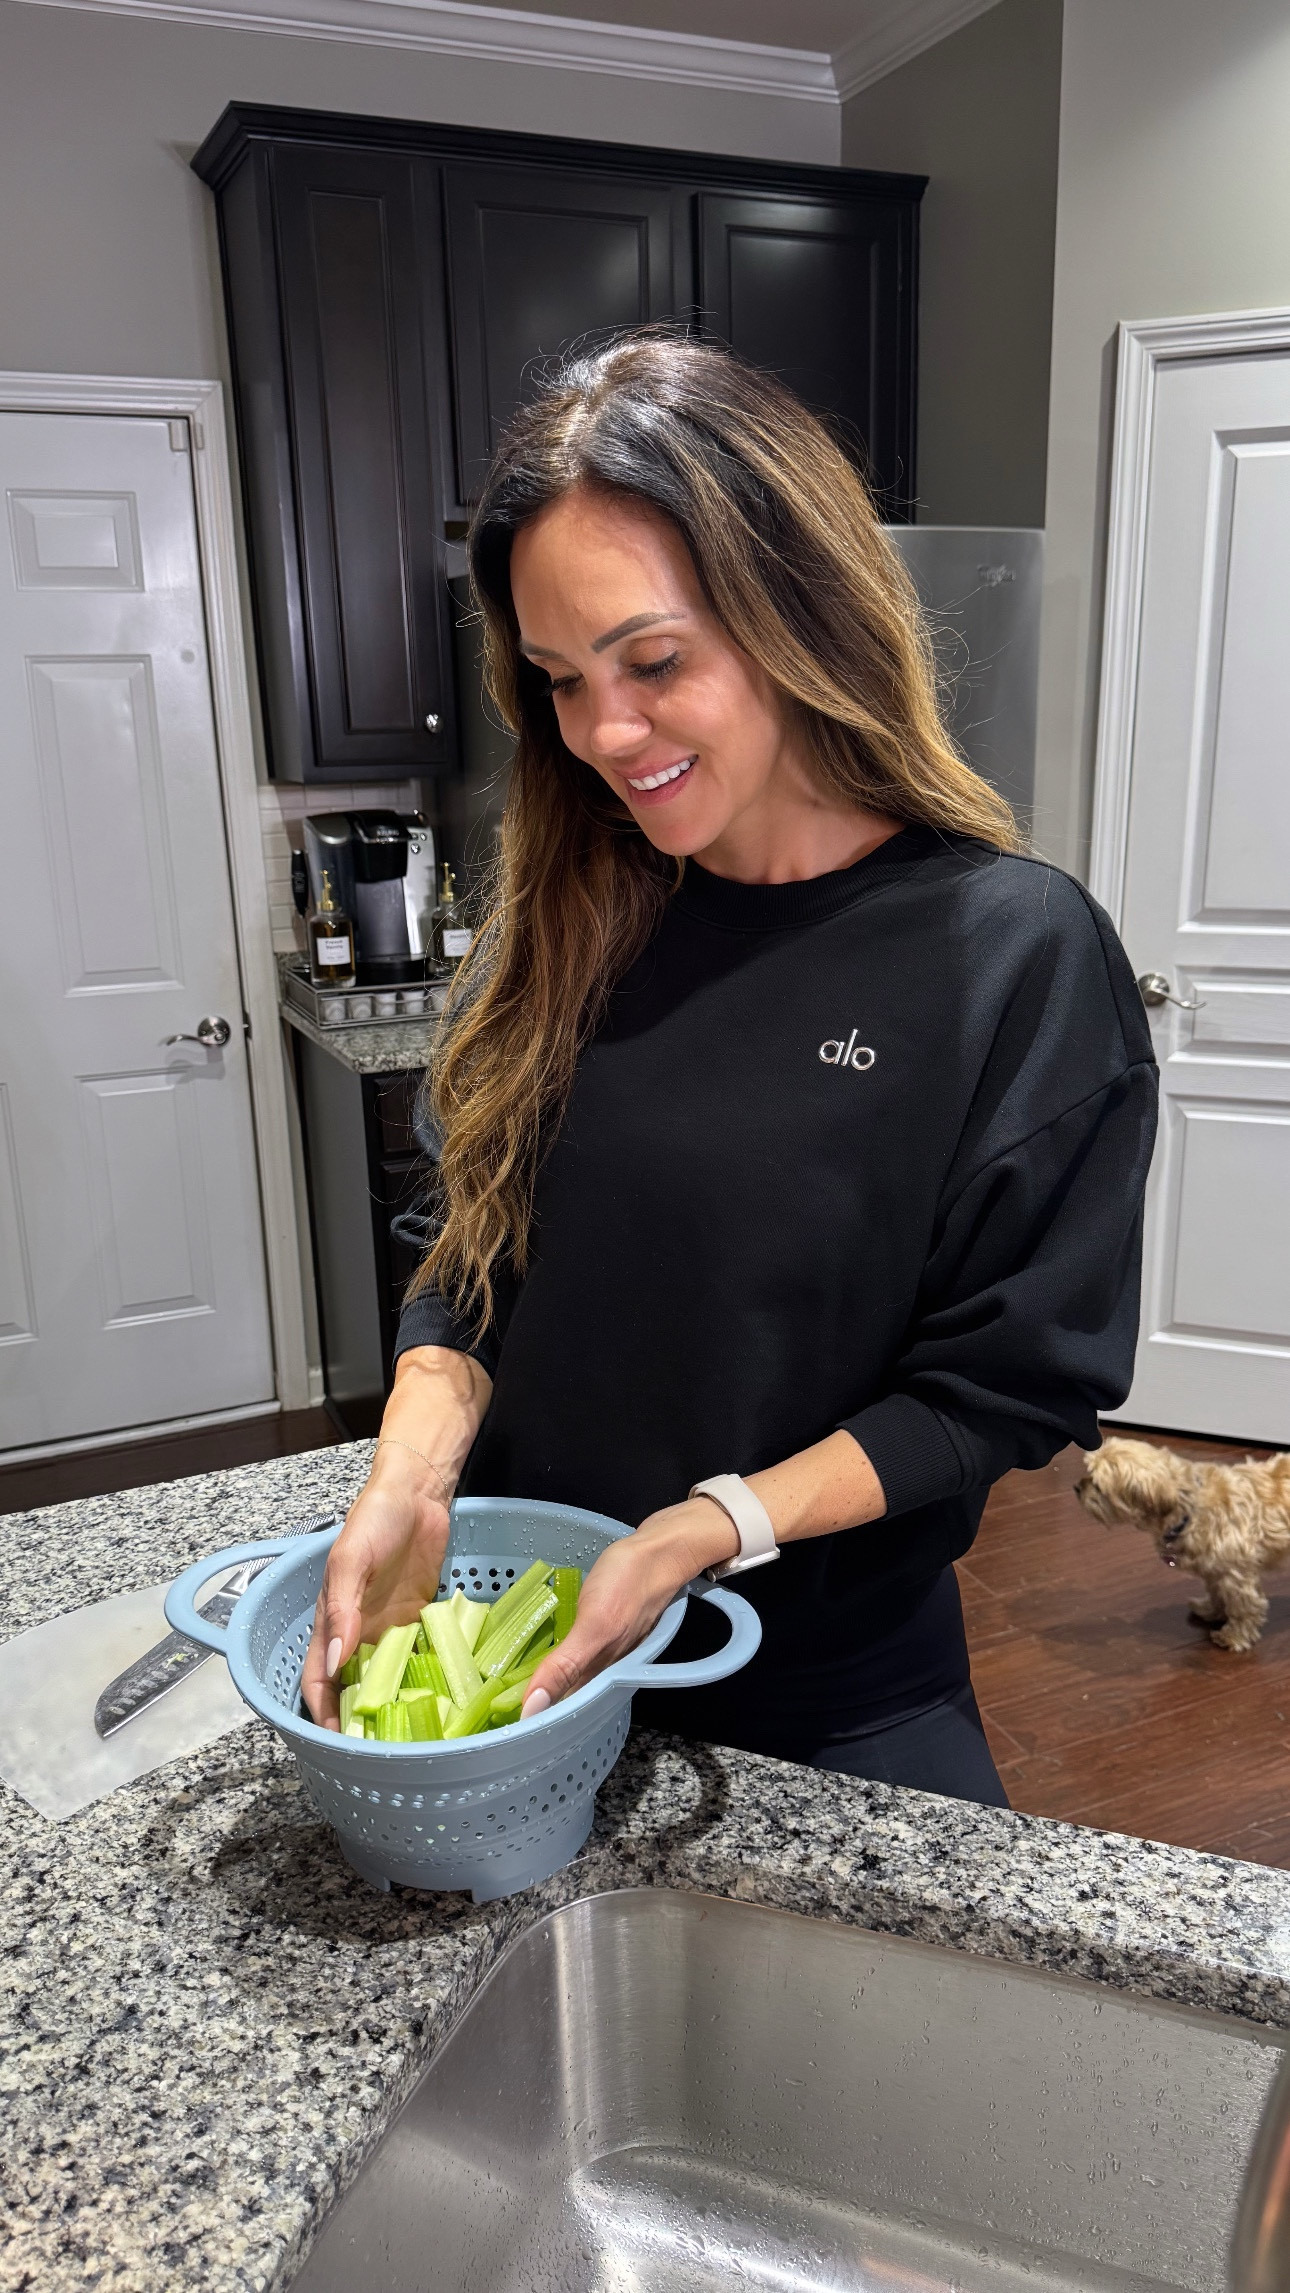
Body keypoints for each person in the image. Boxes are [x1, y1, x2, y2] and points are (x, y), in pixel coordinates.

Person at [301, 331, 1158, 1805]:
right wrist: (412, 1466)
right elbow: (473, 1243)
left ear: (800, 615)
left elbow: (999, 1389)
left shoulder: (1008, 954)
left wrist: (709, 1526)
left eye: (653, 662)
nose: (603, 733)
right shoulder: (565, 921)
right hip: (517, 1659)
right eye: (560, 680)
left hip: (827, 1692)